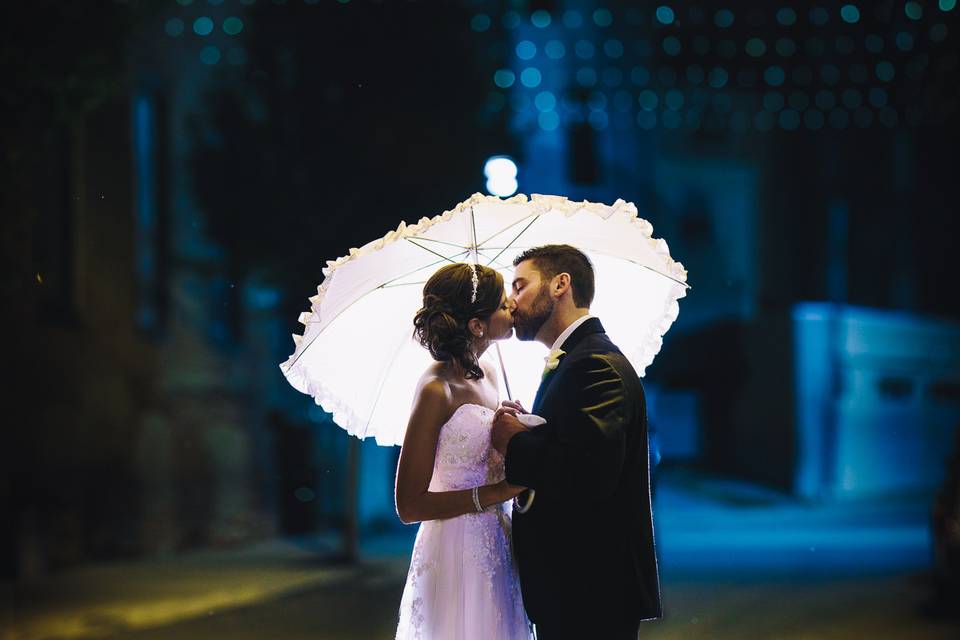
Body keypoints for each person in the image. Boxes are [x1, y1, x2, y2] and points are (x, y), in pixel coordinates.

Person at [492, 244, 662, 639]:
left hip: (590, 588)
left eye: (519, 285)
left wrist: (513, 443)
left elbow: (590, 473)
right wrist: (529, 430)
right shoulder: (574, 359)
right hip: (576, 588)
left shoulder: (593, 363)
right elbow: (577, 448)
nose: (511, 302)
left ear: (560, 285)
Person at [394, 262, 532, 640]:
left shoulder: (489, 372)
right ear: (476, 325)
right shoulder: (437, 389)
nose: (513, 309)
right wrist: (499, 492)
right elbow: (410, 505)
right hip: (456, 547)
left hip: (498, 540)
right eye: (504, 306)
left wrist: (508, 427)